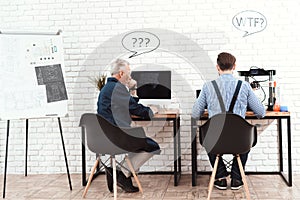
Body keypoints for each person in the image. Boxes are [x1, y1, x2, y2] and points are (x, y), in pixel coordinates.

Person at [192, 52, 265, 190]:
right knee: (246, 139)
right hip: (239, 140)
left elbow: (195, 114)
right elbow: (261, 112)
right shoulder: (244, 86)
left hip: (216, 140)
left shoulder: (208, 86)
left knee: (209, 136)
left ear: (217, 67)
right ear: (234, 66)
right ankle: (237, 178)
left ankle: (220, 177)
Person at [97, 58, 160, 193]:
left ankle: (120, 173)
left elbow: (128, 103)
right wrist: (151, 111)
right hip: (117, 136)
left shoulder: (108, 88)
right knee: (153, 146)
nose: (130, 77)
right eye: (128, 74)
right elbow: (136, 109)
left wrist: (132, 92)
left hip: (104, 137)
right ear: (120, 74)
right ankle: (122, 174)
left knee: (140, 143)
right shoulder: (117, 88)